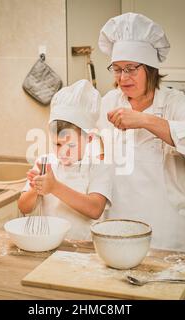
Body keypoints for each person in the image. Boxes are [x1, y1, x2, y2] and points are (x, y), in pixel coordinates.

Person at [97, 12, 185, 252]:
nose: (123, 77)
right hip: (118, 227)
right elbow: (95, 156)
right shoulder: (108, 102)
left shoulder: (175, 103)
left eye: (131, 69)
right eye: (117, 69)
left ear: (150, 69)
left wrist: (145, 120)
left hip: (168, 230)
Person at [18, 79, 112, 240]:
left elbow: (95, 209)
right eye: (57, 144)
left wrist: (54, 187)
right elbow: (24, 207)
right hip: (47, 243)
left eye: (71, 145)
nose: (63, 152)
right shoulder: (45, 163)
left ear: (89, 138)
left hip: (84, 250)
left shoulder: (99, 167)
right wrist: (35, 189)